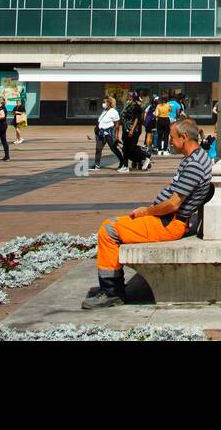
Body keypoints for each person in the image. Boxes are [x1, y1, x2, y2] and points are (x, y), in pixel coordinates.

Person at [82, 119, 213, 309]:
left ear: (184, 138)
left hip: (168, 223)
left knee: (108, 230)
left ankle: (111, 292)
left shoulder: (194, 165)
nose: (169, 141)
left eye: (172, 137)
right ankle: (111, 287)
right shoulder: (197, 157)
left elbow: (173, 204)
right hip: (166, 219)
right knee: (116, 223)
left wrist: (146, 211)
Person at [119, 91, 150, 173]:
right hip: (126, 129)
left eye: (129, 96)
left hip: (134, 130)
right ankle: (125, 166)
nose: (128, 97)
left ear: (133, 97)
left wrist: (132, 130)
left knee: (132, 148)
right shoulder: (128, 105)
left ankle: (145, 157)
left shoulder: (137, 107)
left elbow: (137, 119)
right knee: (125, 148)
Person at [93, 97, 122, 171]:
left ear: (109, 103)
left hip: (109, 133)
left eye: (105, 102)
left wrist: (116, 135)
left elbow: (117, 124)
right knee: (98, 148)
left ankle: (122, 161)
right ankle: (97, 165)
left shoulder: (114, 112)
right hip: (101, 133)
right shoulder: (104, 111)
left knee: (113, 148)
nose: (103, 104)